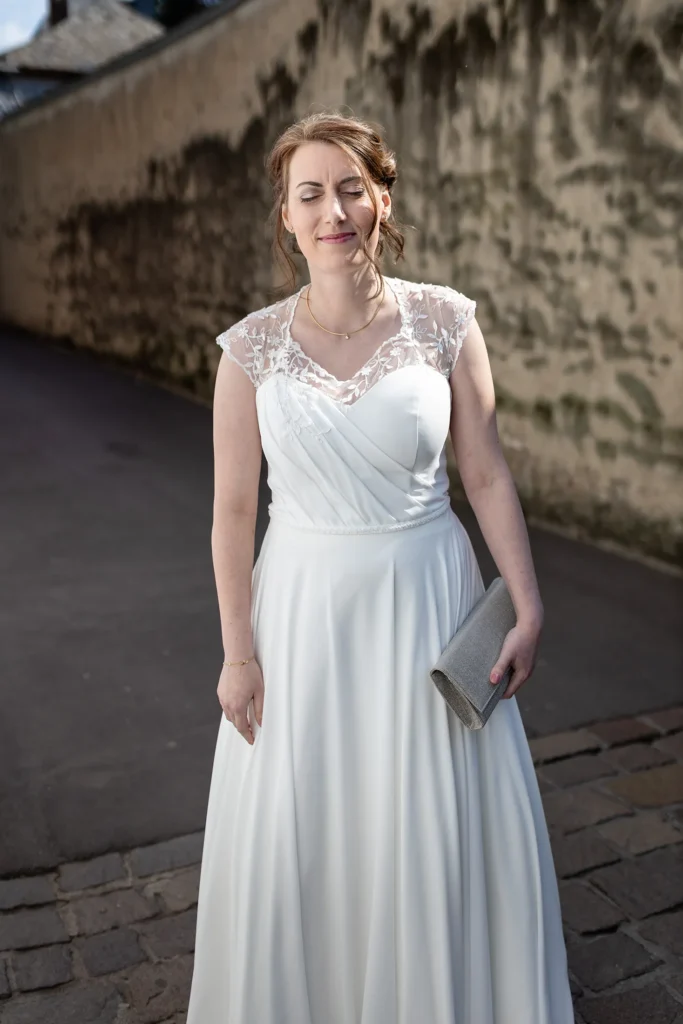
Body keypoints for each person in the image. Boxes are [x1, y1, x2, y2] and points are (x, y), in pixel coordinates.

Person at [186, 110, 574, 1024]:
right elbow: (233, 513)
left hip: (428, 606)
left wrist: (525, 604)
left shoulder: (445, 322)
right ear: (286, 216)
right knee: (311, 826)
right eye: (309, 193)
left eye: (349, 189)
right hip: (304, 617)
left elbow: (483, 470)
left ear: (381, 198)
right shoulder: (248, 352)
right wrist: (239, 654)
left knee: (433, 826)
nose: (333, 210)